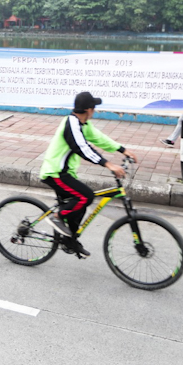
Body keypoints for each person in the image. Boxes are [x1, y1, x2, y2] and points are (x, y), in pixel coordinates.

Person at [39, 92, 138, 258]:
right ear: (88, 110)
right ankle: (57, 216)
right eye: (93, 108)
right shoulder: (71, 124)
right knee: (86, 197)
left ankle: (70, 240)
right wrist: (108, 164)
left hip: (65, 173)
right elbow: (82, 148)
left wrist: (122, 150)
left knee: (80, 204)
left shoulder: (84, 124)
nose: (95, 110)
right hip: (55, 172)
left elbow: (100, 139)